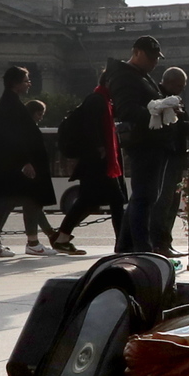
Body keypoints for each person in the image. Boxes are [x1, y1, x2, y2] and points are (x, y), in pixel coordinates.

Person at [0, 66, 56, 257]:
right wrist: (25, 161)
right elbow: (14, 136)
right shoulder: (10, 105)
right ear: (15, 83)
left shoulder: (10, 102)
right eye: (25, 80)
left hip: (11, 163)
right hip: (14, 164)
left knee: (23, 200)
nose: (29, 83)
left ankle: (29, 241)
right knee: (9, 201)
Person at [104, 36, 167, 253]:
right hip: (143, 142)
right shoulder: (124, 76)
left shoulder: (141, 76)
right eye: (151, 57)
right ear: (137, 52)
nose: (154, 62)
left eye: (156, 57)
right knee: (144, 196)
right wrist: (159, 111)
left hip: (150, 141)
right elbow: (127, 110)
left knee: (144, 195)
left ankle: (124, 246)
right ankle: (142, 248)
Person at [52, 74, 124, 255]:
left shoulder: (103, 100)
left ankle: (62, 238)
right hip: (96, 161)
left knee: (101, 200)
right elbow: (90, 127)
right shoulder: (96, 100)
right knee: (99, 200)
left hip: (99, 161)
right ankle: (123, 244)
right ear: (108, 82)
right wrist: (99, 146)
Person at [149, 67, 189, 257]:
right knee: (163, 201)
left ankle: (166, 241)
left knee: (172, 202)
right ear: (168, 81)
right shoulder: (160, 97)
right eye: (179, 85)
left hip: (177, 155)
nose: (181, 89)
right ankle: (158, 243)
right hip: (167, 155)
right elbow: (169, 127)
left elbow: (181, 124)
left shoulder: (175, 99)